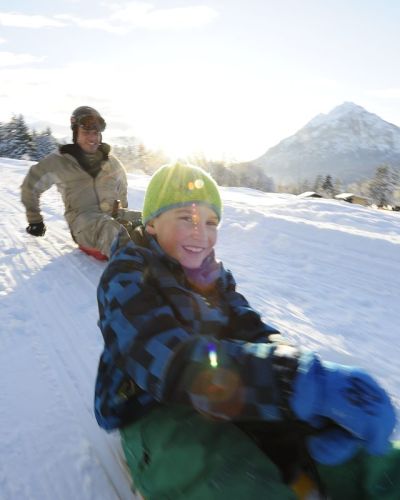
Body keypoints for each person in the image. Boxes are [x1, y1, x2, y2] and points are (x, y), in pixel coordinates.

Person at [94, 162, 400, 499]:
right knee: (234, 481)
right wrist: (293, 383)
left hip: (224, 383)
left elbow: (250, 327)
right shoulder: (125, 276)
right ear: (151, 223)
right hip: (152, 408)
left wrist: (301, 378)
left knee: (348, 450)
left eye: (211, 222)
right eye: (186, 218)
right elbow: (168, 363)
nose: (202, 233)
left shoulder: (213, 276)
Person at [21, 106, 141, 258]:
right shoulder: (60, 161)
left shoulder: (111, 161)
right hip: (84, 224)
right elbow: (30, 186)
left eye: (96, 133)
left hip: (112, 218)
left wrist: (123, 212)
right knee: (111, 229)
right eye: (86, 132)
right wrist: (35, 221)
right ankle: (135, 271)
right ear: (75, 133)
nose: (92, 138)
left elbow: (122, 187)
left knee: (152, 221)